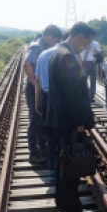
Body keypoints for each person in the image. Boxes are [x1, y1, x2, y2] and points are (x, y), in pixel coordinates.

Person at [46, 22, 97, 212]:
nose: (84, 47)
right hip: (68, 120)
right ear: (79, 37)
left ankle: (63, 202)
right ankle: (72, 207)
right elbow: (73, 94)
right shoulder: (67, 56)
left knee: (63, 161)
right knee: (71, 163)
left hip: (58, 118)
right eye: (85, 43)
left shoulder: (56, 53)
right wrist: (80, 122)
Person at [23, 25, 62, 164]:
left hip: (39, 87)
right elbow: (27, 64)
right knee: (35, 120)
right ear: (49, 36)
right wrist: (35, 84)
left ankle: (43, 149)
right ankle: (34, 152)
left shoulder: (43, 46)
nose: (55, 42)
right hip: (34, 87)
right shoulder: (36, 46)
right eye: (55, 39)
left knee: (41, 120)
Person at [34, 38, 62, 181]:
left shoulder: (43, 54)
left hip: (46, 98)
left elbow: (37, 81)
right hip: (64, 99)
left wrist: (37, 102)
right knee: (66, 135)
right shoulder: (69, 54)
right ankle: (65, 169)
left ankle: (52, 171)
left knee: (50, 137)